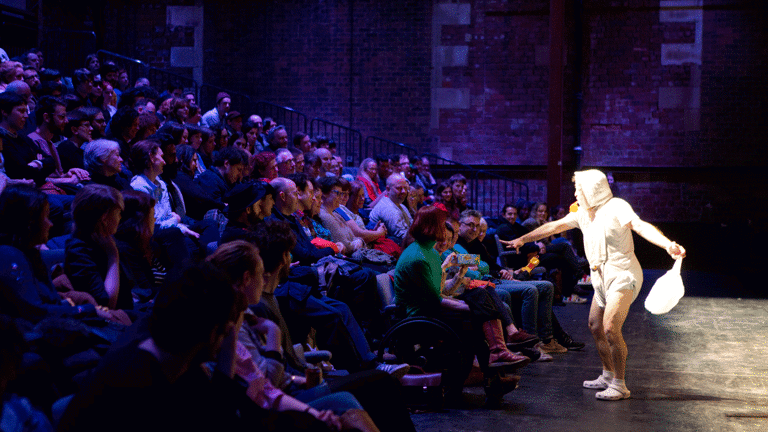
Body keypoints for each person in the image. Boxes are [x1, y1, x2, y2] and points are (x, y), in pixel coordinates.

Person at [506, 169, 686, 401]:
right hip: (600, 276)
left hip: (623, 273)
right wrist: (523, 239)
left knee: (611, 327)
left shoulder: (617, 206)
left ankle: (620, 384)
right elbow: (553, 227)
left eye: (579, 189)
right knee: (595, 325)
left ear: (593, 191)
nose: (575, 193)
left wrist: (667, 244)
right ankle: (608, 374)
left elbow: (640, 226)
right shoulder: (583, 213)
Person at [393, 205, 528, 403]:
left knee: (481, 298)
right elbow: (436, 300)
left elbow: (441, 289)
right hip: (421, 317)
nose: (444, 229)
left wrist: (458, 276)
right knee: (477, 319)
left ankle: (494, 370)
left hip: (431, 310)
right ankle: (492, 374)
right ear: (431, 226)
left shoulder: (428, 251)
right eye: (441, 224)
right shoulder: (419, 257)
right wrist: (471, 309)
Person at [65, 184, 131, 310]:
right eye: (118, 213)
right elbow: (106, 304)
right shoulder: (78, 251)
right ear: (104, 218)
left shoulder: (106, 242)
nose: (120, 218)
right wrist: (113, 257)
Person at [369, 174, 413, 246]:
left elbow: (412, 227)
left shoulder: (402, 206)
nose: (404, 191)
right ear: (388, 189)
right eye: (399, 188)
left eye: (405, 188)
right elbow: (404, 237)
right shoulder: (387, 208)